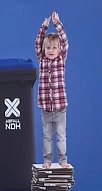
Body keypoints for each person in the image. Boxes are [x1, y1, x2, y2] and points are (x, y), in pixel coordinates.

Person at [36, 11, 69, 169]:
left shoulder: (61, 59)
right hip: (45, 109)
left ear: (59, 49)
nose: (51, 50)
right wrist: (44, 27)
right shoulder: (42, 59)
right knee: (47, 137)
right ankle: (47, 160)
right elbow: (38, 43)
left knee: (61, 136)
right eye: (48, 47)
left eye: (54, 47)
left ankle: (63, 160)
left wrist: (57, 23)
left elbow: (64, 41)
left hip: (60, 108)